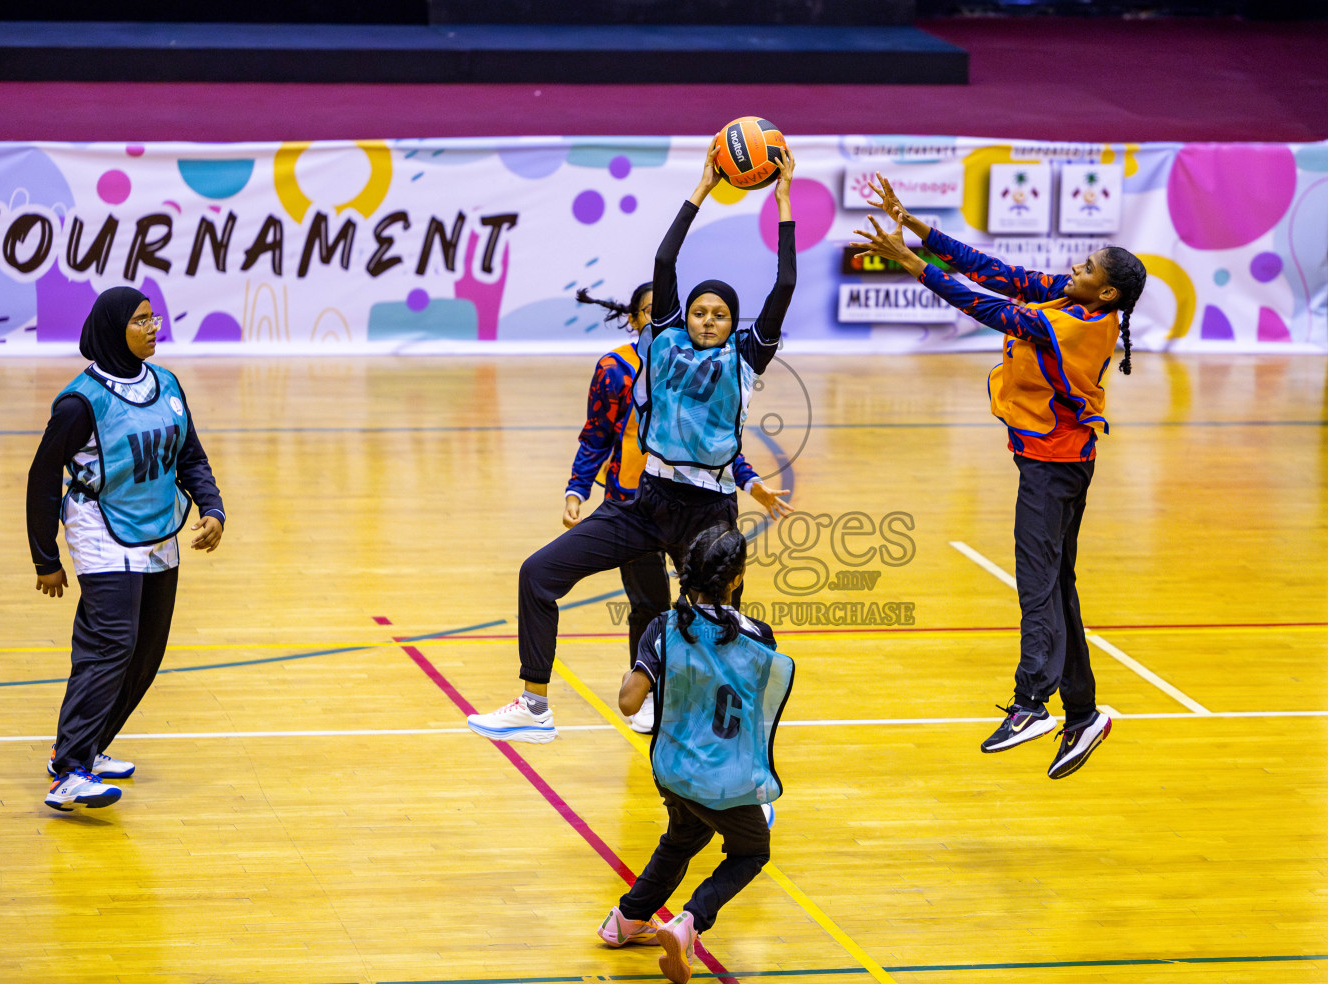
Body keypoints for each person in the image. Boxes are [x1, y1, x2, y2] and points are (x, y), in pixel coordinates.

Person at [466, 140, 796, 745]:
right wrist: (700, 190)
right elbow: (666, 260)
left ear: (734, 323)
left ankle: (737, 756)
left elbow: (784, 283)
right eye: (698, 310)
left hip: (709, 516)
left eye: (719, 313)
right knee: (537, 573)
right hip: (644, 503)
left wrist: (783, 202)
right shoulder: (661, 344)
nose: (705, 319)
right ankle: (534, 706)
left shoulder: (747, 359)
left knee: (720, 632)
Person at [854, 174, 1145, 778]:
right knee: (1058, 587)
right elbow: (994, 272)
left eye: (1086, 265)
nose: (1074, 265)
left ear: (1108, 292)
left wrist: (910, 262)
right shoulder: (1068, 299)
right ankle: (1084, 714)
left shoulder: (1077, 326)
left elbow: (986, 307)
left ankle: (1031, 703)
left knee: (1036, 583)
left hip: (1053, 469)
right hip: (1059, 462)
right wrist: (914, 225)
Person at [27, 286, 225, 812]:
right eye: (141, 320)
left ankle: (85, 748)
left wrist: (213, 509)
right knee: (111, 644)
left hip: (158, 530)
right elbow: (42, 477)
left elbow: (191, 457)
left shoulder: (167, 383)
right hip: (101, 529)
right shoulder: (79, 403)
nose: (154, 325)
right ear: (117, 331)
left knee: (146, 653)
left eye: (154, 316)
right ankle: (68, 771)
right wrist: (45, 557)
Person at [564, 284, 792, 733]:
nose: (660, 318)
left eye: (663, 310)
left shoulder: (699, 365)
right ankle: (647, 691)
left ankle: (708, 693)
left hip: (697, 507)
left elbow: (713, 444)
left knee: (712, 603)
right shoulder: (615, 368)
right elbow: (596, 434)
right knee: (646, 605)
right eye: (649, 312)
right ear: (635, 319)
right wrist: (577, 488)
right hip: (633, 504)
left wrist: (751, 484)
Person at [596, 525, 793, 984]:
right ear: (737, 580)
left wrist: (645, 669)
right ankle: (689, 923)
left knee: (683, 837)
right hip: (722, 774)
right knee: (751, 852)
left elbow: (629, 702)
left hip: (672, 767)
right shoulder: (758, 637)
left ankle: (625, 919)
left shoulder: (662, 629)